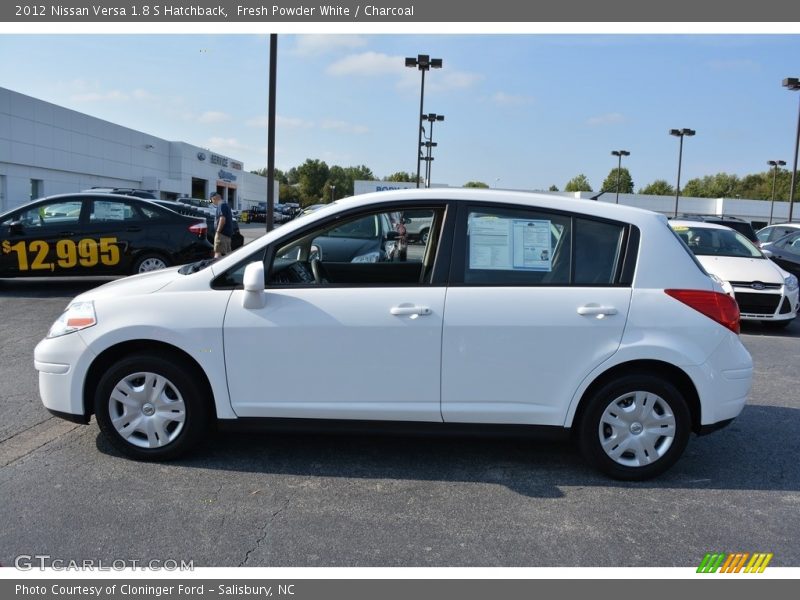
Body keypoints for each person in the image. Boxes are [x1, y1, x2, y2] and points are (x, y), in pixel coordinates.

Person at [210, 191, 233, 257]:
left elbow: (222, 219)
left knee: (218, 253)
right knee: (227, 255)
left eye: (212, 201)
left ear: (214, 198)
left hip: (222, 234)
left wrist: (217, 232)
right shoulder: (226, 204)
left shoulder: (221, 205)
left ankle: (216, 267)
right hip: (227, 235)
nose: (213, 203)